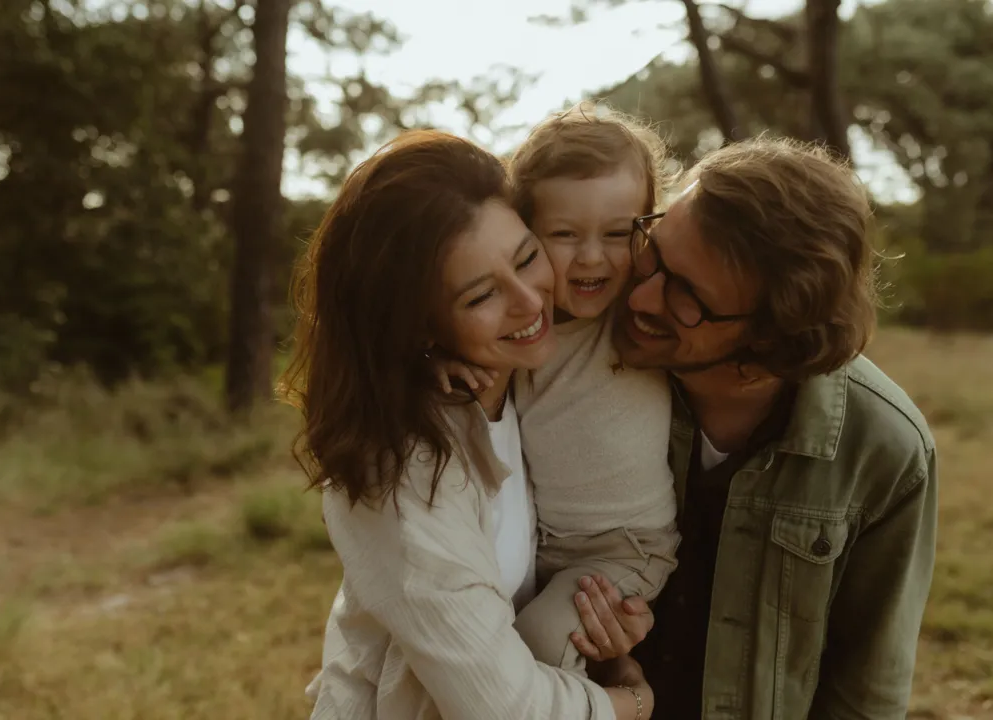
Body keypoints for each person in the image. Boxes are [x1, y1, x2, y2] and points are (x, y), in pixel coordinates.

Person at [283, 129, 654, 720]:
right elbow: (505, 708)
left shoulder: (527, 387)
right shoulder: (402, 467)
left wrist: (603, 635)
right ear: (419, 324)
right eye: (482, 295)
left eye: (527, 257)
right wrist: (631, 699)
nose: (531, 302)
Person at [607, 137, 937, 718]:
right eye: (653, 249)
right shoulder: (582, 369)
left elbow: (866, 693)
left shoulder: (885, 449)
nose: (641, 294)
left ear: (769, 338)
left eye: (687, 295)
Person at [433, 102, 680, 675]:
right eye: (564, 234)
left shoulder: (636, 316)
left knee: (541, 644)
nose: (593, 257)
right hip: (542, 549)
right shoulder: (516, 322)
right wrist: (437, 361)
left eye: (618, 234)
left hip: (625, 548)